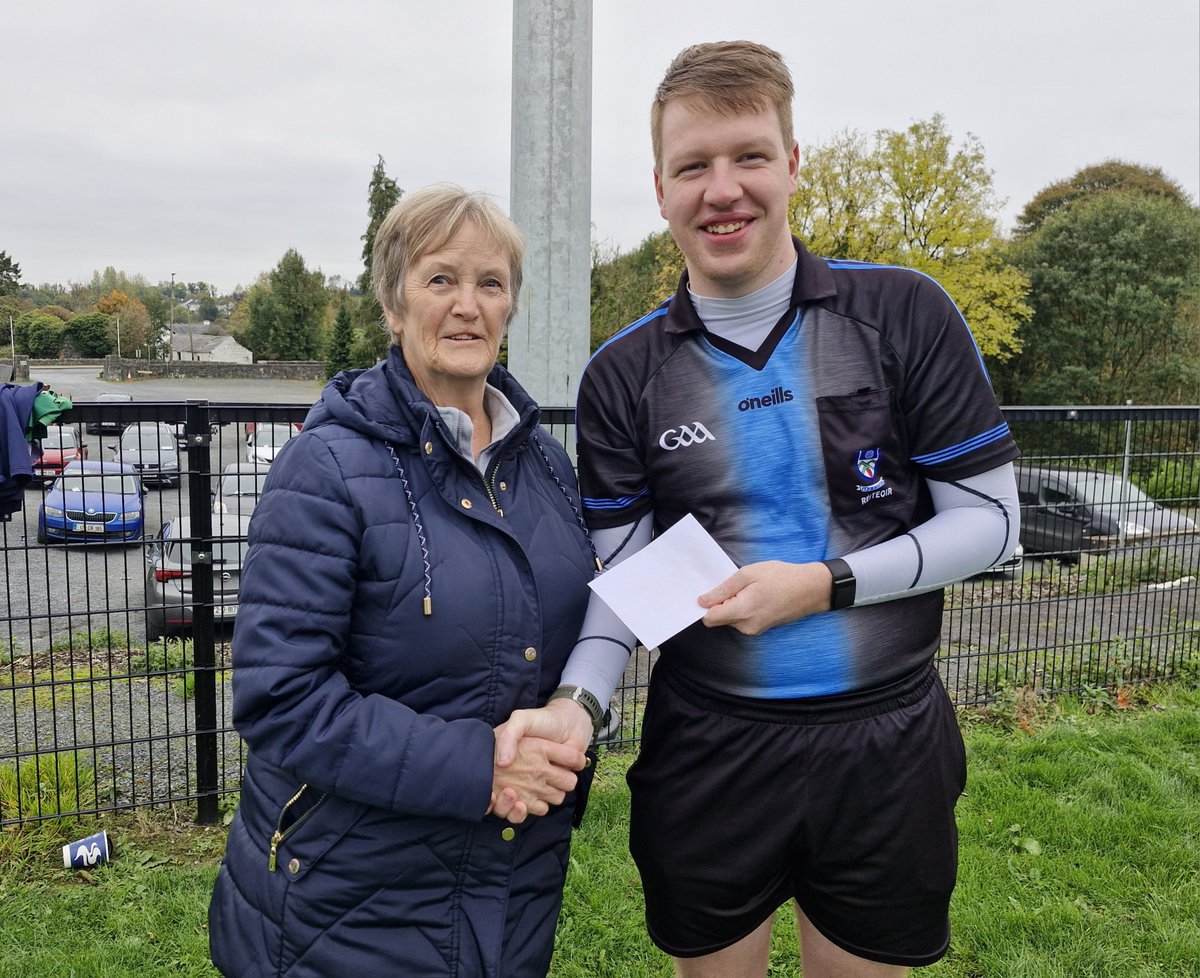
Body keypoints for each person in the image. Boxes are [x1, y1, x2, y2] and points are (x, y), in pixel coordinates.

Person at [497, 40, 1021, 978]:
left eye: (747, 156)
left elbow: (991, 521)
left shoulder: (906, 313)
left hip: (887, 736)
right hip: (708, 743)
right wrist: (578, 700)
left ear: (792, 164)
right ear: (660, 189)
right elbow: (627, 583)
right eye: (693, 165)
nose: (722, 188)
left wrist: (824, 585)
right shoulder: (623, 374)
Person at [208, 184, 602, 978]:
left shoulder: (547, 468)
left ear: (511, 306)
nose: (468, 306)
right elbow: (280, 698)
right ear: (393, 304)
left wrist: (574, 711)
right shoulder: (324, 469)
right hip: (349, 903)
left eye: (490, 283)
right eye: (440, 280)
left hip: (511, 887)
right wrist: (480, 768)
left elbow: (576, 624)